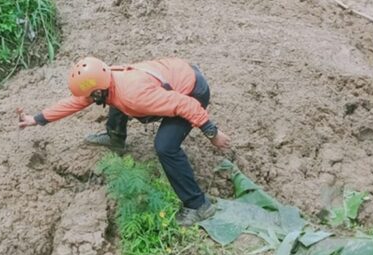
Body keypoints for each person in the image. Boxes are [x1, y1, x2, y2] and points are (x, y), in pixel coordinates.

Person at [17, 57, 232, 226]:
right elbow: (75, 102)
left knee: (165, 147)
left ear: (97, 90)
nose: (88, 100)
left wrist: (212, 133)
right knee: (116, 101)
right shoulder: (107, 80)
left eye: (91, 96)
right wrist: (36, 119)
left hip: (193, 91)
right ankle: (115, 139)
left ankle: (199, 205)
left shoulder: (133, 94)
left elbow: (185, 105)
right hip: (174, 77)